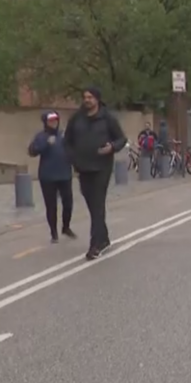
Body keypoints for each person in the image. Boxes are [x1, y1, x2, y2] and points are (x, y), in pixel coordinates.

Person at [64, 86, 126, 260]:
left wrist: (112, 147)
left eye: (90, 97)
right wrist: (72, 158)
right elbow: (67, 141)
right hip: (83, 167)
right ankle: (104, 238)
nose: (87, 100)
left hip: (102, 167)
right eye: (85, 97)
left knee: (97, 204)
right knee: (93, 206)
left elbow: (121, 139)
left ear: (97, 99)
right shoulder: (77, 118)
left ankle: (95, 245)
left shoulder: (107, 118)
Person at [27, 111, 76, 244]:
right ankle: (53, 233)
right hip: (48, 176)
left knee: (68, 203)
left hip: (65, 174)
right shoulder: (41, 136)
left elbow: (72, 150)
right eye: (51, 121)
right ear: (46, 122)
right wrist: (46, 144)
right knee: (51, 206)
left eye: (55, 120)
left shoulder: (63, 135)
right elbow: (31, 151)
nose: (54, 123)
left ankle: (66, 227)